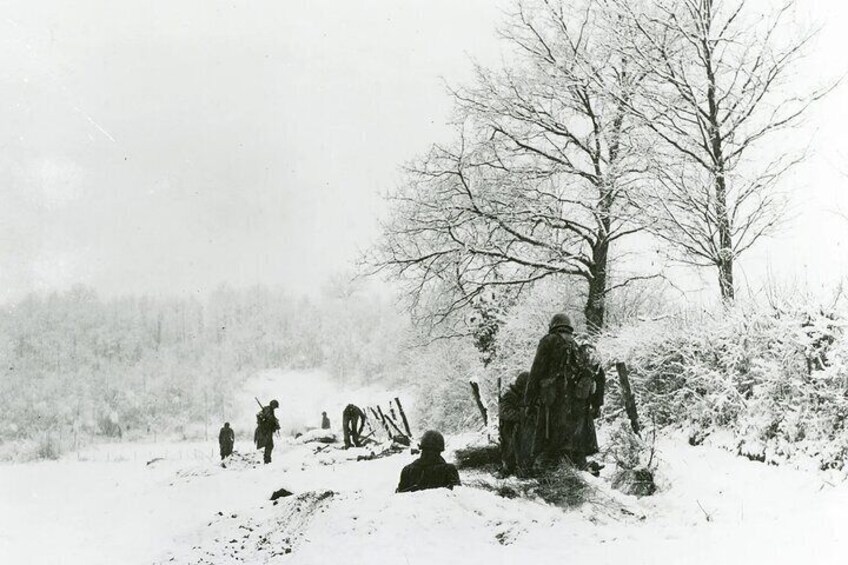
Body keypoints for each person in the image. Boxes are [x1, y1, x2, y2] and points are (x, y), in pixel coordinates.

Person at [524, 313, 593, 470]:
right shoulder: (575, 344)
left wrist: (529, 399)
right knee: (569, 438)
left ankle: (546, 473)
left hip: (553, 398)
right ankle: (574, 468)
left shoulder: (548, 341)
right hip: (574, 400)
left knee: (547, 437)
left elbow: (536, 370)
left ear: (553, 325)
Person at [396, 430, 461, 493]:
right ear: (440, 449)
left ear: (422, 447)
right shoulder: (448, 470)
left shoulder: (407, 470)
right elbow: (458, 496)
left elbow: (399, 497)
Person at [499, 371, 529, 475]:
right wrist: (523, 414)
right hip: (510, 431)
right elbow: (505, 412)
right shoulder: (510, 396)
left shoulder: (525, 396)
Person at [254, 399, 280, 464]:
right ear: (272, 405)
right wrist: (263, 420)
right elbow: (259, 415)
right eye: (275, 406)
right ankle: (267, 460)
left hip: (268, 430)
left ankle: (267, 460)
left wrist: (276, 423)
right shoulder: (267, 409)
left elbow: (272, 419)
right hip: (265, 431)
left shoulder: (270, 410)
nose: (275, 408)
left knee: (269, 445)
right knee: (269, 445)